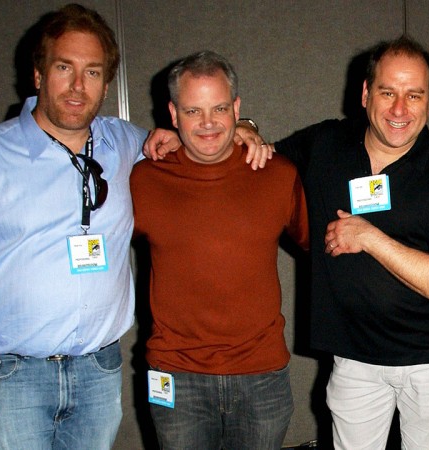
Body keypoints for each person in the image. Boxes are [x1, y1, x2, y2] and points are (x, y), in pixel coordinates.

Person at [145, 35, 429, 450]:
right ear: (366, 93)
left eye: (414, 95)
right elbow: (252, 155)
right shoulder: (326, 144)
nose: (400, 109)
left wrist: (369, 237)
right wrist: (191, 136)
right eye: (388, 92)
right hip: (354, 358)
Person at [0, 4, 148, 448]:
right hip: (10, 379)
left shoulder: (126, 143)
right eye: (65, 67)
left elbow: (194, 141)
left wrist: (242, 128)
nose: (78, 86)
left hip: (98, 373)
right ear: (39, 74)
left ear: (106, 84)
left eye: (93, 72)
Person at [130, 51, 309, 449]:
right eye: (193, 111)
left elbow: (324, 246)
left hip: (262, 377)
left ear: (237, 109)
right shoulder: (143, 180)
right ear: (173, 115)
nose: (208, 123)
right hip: (176, 377)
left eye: (220, 108)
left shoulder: (276, 174)